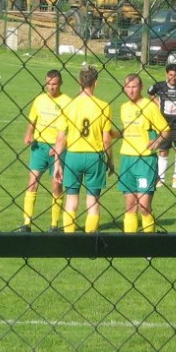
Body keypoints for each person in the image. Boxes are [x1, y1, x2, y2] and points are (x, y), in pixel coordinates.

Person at [54, 65, 114, 233]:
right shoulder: (104, 106)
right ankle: (89, 240)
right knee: (93, 201)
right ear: (96, 82)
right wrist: (110, 160)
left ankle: (69, 240)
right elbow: (106, 138)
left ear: (79, 82)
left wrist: (57, 163)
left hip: (73, 156)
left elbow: (60, 138)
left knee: (71, 201)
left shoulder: (69, 106)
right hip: (95, 156)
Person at [117, 74, 171, 233]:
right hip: (127, 159)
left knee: (144, 206)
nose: (131, 90)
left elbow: (165, 129)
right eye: (128, 87)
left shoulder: (149, 106)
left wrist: (157, 141)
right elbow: (128, 131)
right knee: (129, 206)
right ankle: (130, 246)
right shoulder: (124, 108)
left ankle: (148, 245)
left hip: (145, 161)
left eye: (134, 87)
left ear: (140, 87)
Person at [21, 70, 70, 232]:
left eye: (54, 84)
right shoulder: (39, 100)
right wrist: (28, 133)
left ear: (61, 83)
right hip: (39, 147)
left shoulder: (67, 102)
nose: (51, 87)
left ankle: (54, 225)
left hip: (58, 148)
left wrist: (59, 146)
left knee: (56, 186)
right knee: (32, 183)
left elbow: (69, 129)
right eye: (48, 84)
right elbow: (32, 119)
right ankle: (26, 224)